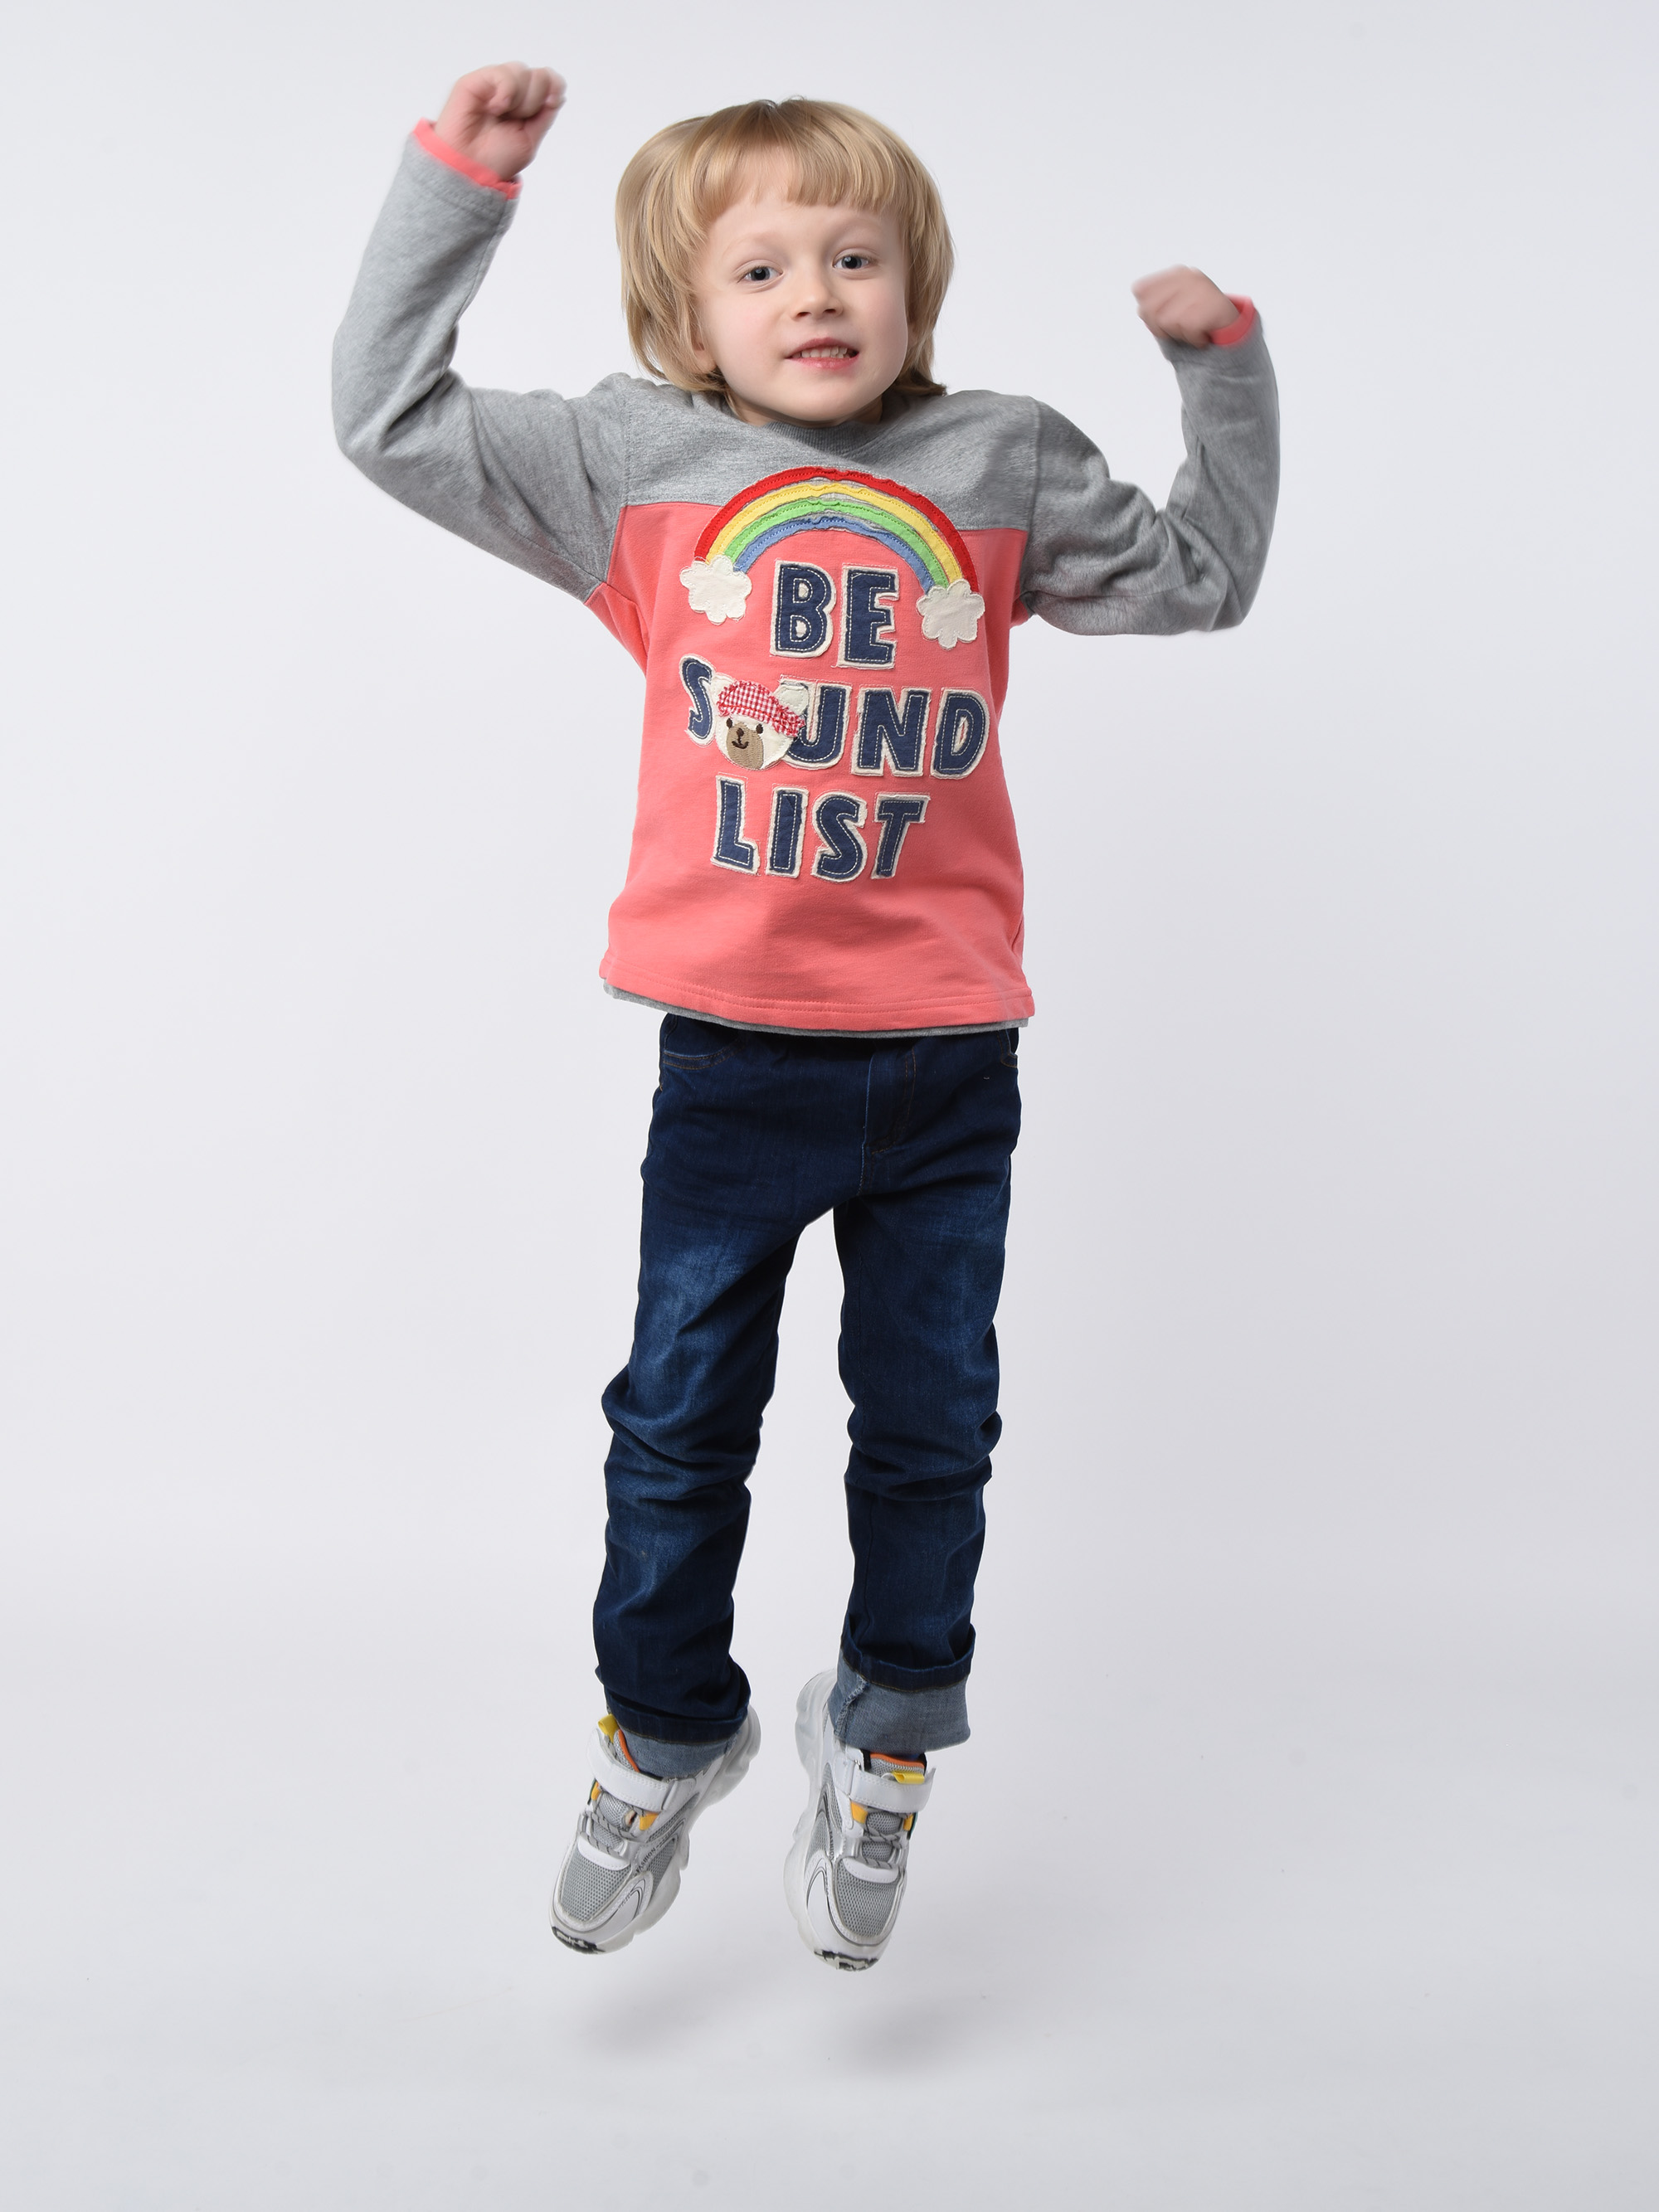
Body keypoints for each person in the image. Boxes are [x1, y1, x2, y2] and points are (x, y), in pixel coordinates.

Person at [333, 62, 1278, 1969]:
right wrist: (463, 183)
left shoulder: (999, 460)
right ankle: (665, 1730)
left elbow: (1200, 578)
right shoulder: (634, 462)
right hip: (734, 1053)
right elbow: (388, 416)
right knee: (680, 1420)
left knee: (931, 1431)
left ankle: (888, 1736)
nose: (816, 295)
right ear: (687, 320)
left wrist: (1221, 371)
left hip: (947, 1057)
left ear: (915, 288)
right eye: (759, 269)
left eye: (855, 257)